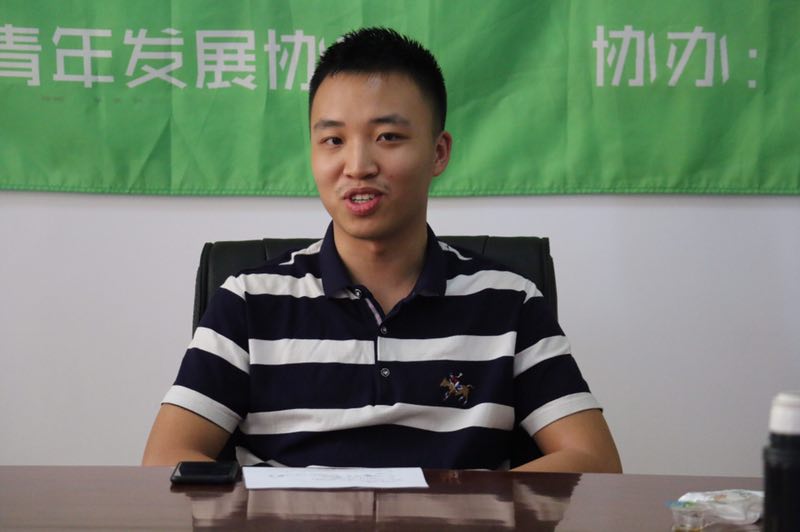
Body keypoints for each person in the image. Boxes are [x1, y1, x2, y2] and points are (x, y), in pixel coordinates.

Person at [143, 27, 622, 473]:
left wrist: (457, 505)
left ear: (439, 152)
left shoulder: (510, 302)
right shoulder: (249, 302)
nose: (358, 165)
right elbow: (165, 459)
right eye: (333, 140)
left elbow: (594, 459)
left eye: (387, 137)